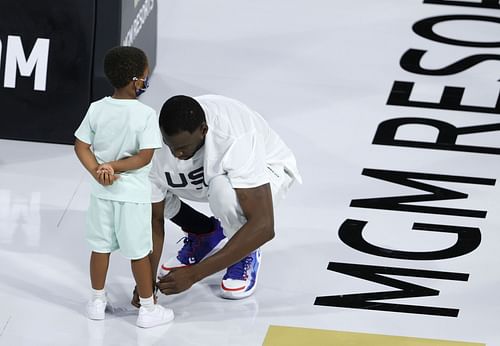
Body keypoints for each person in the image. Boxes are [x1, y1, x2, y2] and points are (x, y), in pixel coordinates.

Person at [147, 94, 301, 301]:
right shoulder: (152, 142)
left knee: (223, 193)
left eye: (183, 148)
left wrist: (194, 274)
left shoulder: (235, 135)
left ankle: (245, 251)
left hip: (265, 170)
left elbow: (264, 226)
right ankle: (204, 233)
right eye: (170, 146)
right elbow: (154, 219)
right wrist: (145, 283)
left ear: (203, 130)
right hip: (207, 174)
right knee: (140, 185)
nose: (176, 154)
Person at [74, 46, 173, 328]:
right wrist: (114, 168)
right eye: (144, 76)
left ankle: (96, 301)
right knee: (139, 252)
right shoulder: (145, 114)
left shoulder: (97, 108)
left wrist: (98, 171)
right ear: (135, 81)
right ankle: (148, 309)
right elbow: (145, 156)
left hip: (101, 193)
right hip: (132, 197)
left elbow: (81, 145)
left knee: (100, 248)